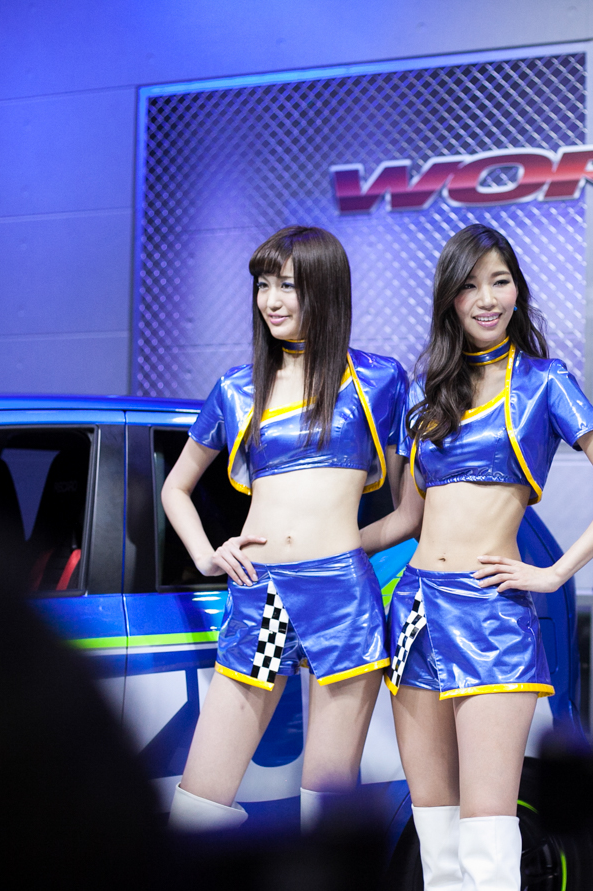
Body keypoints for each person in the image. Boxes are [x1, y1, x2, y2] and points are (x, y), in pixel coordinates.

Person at [362, 224, 593, 891]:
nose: (487, 298)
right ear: (450, 299)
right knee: (436, 840)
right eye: (470, 286)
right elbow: (406, 518)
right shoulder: (426, 391)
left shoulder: (546, 383)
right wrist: (326, 548)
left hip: (491, 614)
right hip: (415, 611)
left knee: (489, 842)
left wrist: (553, 572)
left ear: (517, 290)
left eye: (500, 281)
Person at [161, 226, 408, 833]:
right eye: (263, 285)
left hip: (341, 596)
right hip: (262, 591)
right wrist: (207, 555)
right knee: (197, 807)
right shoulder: (236, 387)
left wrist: (342, 551)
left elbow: (410, 514)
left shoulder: (379, 380)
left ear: (325, 290)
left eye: (288, 286)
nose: (270, 300)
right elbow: (175, 488)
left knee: (325, 814)